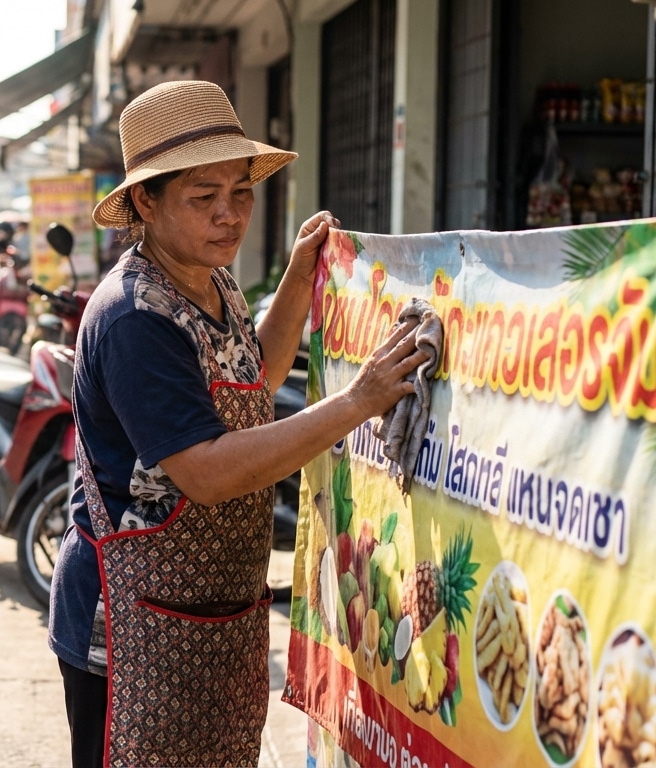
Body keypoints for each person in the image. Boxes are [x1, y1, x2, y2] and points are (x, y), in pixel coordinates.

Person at [46, 80, 428, 768]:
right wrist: (357, 402)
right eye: (203, 197)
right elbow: (209, 471)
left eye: (241, 193)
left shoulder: (209, 275)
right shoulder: (136, 317)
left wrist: (298, 275)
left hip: (211, 618)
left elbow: (257, 377)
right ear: (145, 201)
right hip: (128, 631)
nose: (230, 215)